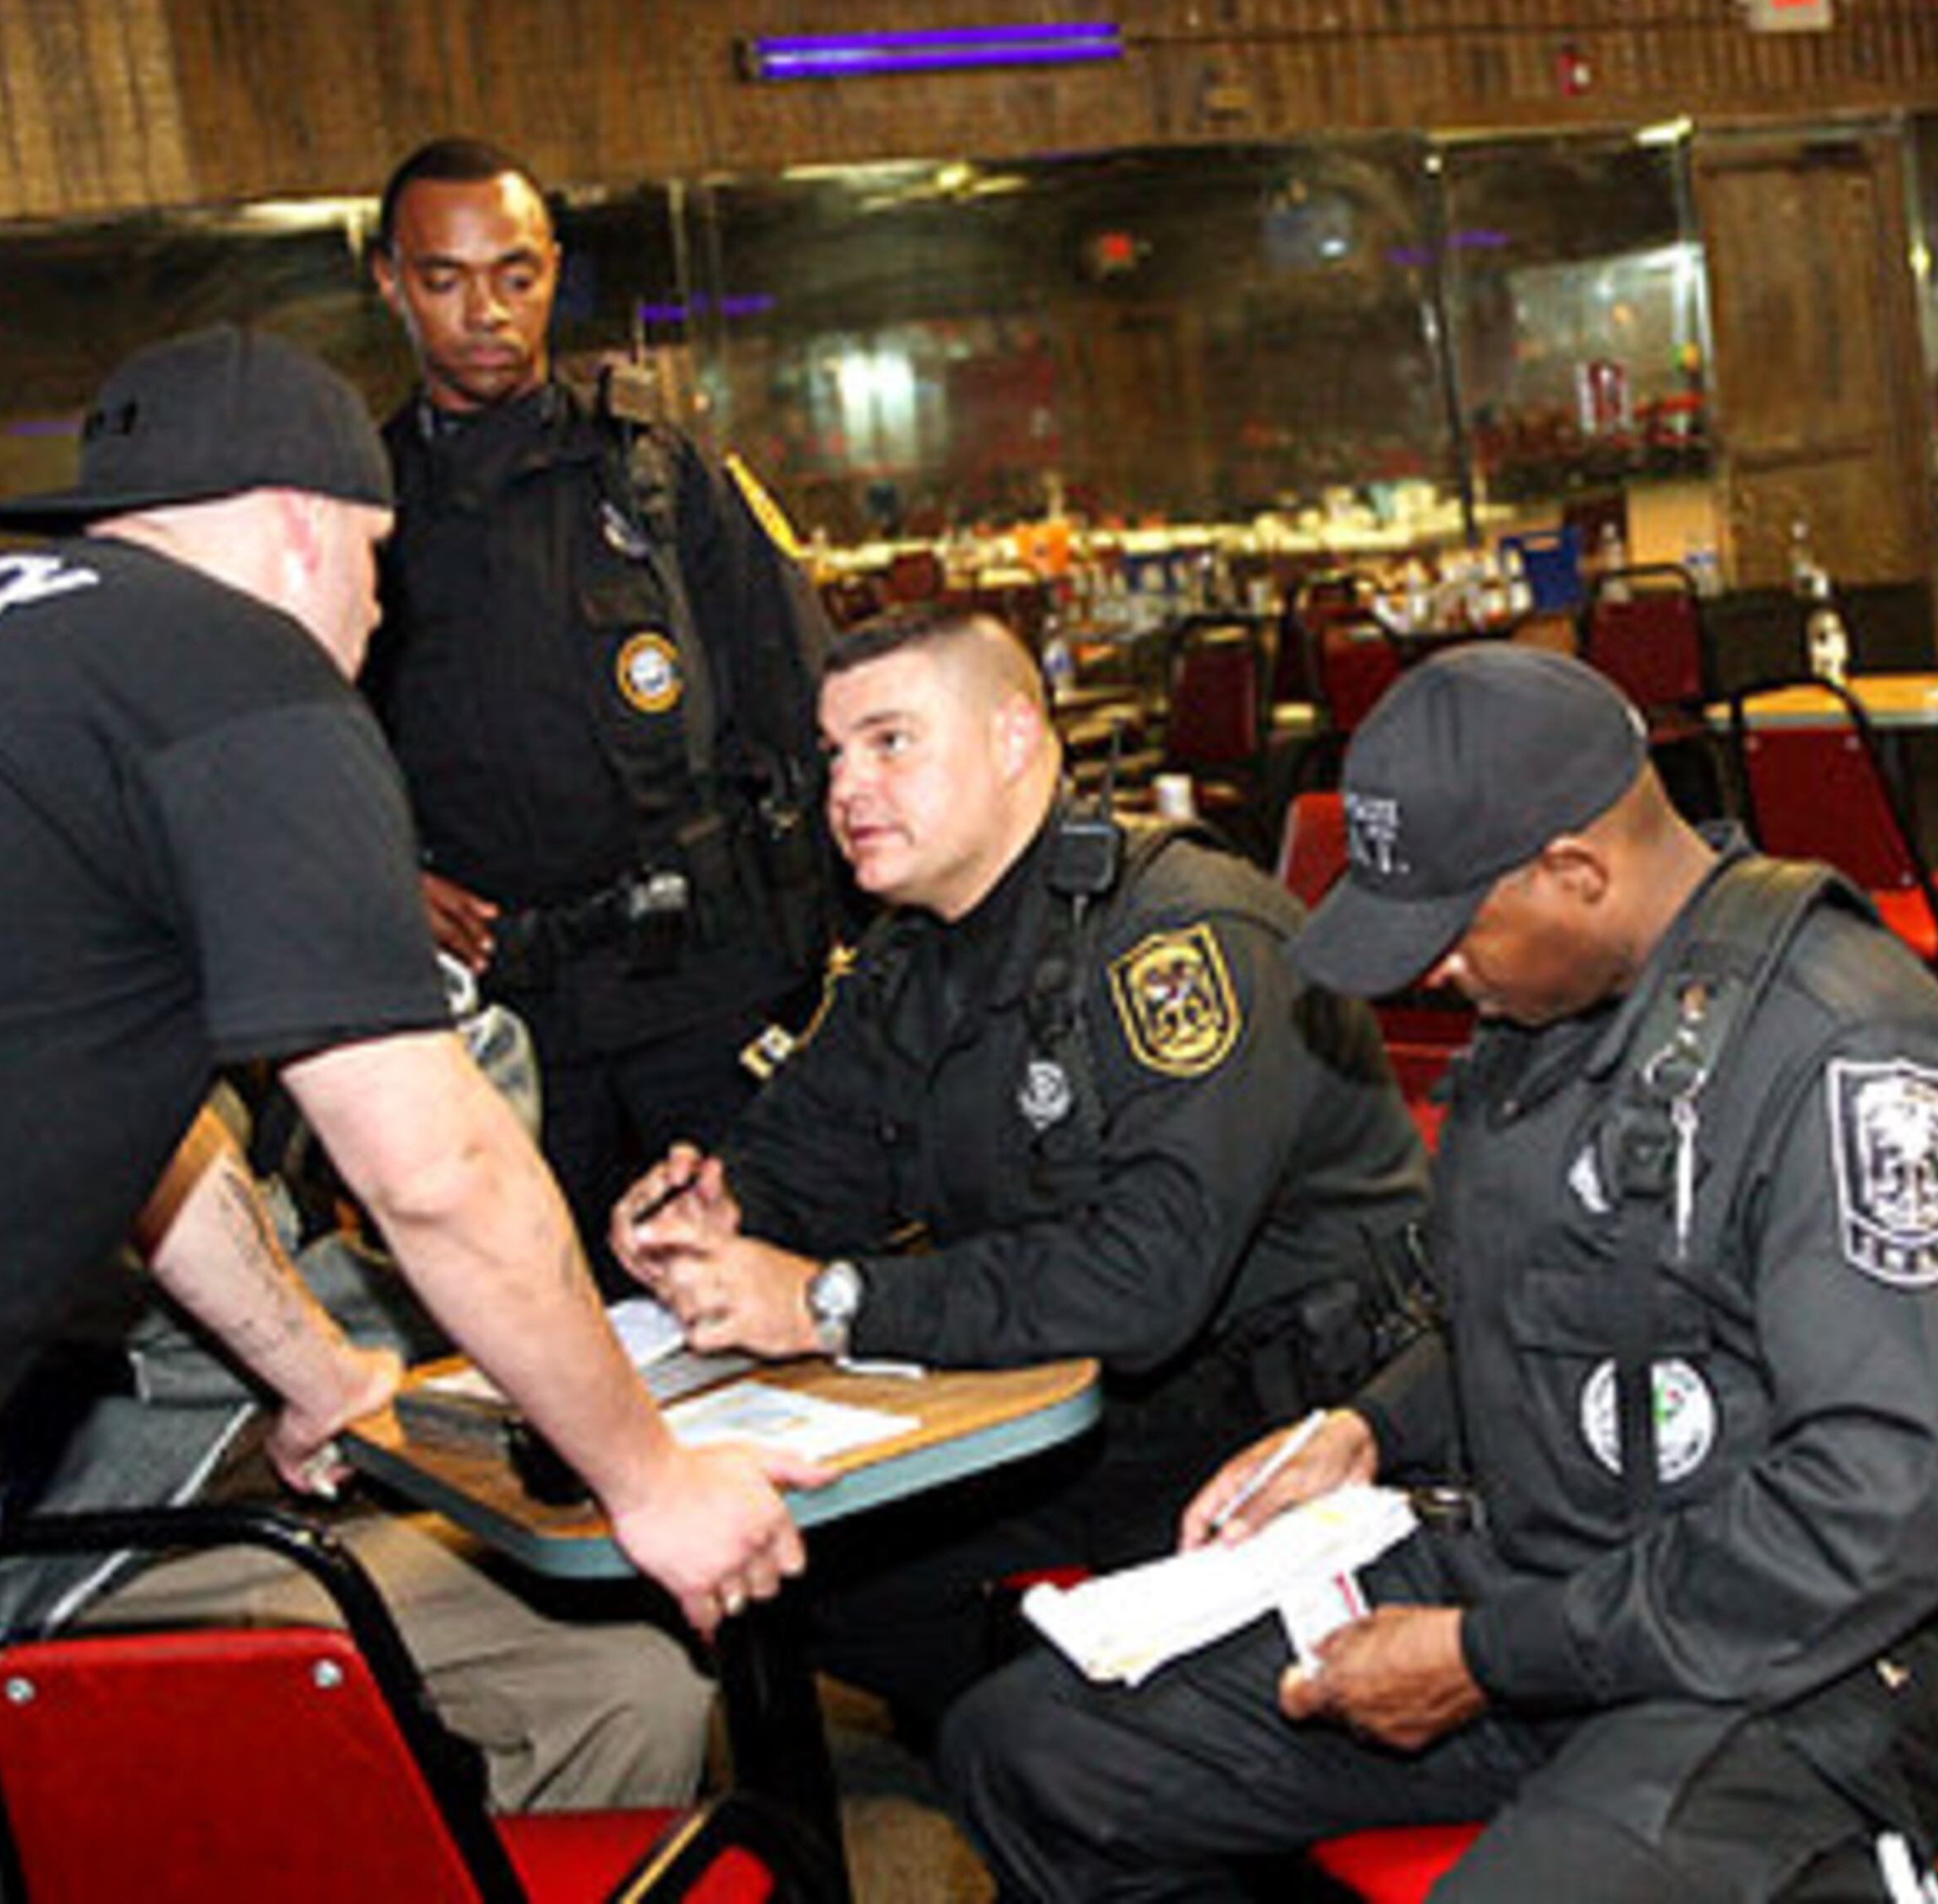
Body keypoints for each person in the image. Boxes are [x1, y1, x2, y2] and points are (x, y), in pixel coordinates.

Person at [0, 325, 815, 1903]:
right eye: (381, 564)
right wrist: (657, 1488)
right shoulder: (235, 671)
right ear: (305, 523)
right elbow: (437, 1166)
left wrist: (314, 1369)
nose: (379, 616)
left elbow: (148, 1133)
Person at [937, 644, 1938, 1901]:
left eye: (1451, 930)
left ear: (1577, 871)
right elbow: (1533, 1303)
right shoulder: (1558, 1006)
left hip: (1808, 1658)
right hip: (1558, 1579)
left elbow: (1875, 1510)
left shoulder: (1860, 1059)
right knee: (1031, 1751)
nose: (1435, 972)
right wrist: (1364, 1423)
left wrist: (1486, 1653)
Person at [611, 601, 1428, 1733]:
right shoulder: (918, 949)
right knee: (775, 1574)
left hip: (1287, 1436)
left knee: (1008, 1712)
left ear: (1011, 739)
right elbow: (809, 1151)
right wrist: (708, 1217)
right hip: (1068, 1414)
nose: (847, 788)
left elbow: (1142, 1281)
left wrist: (825, 1300)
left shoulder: (1178, 939)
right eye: (835, 753)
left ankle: (1083, 1768)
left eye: (892, 741)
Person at [0, 985, 716, 1813]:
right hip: (134, 1547)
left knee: (643, 1670)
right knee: (625, 1677)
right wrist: (348, 1218)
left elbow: (465, 1234)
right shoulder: (82, 1044)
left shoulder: (328, 1010)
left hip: (347, 1494)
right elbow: (385, 1262)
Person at [362, 135, 834, 1268]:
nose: (487, 311)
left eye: (516, 275)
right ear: (389, 279)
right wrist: (379, 877)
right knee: (542, 1354)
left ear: (553, 270)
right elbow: (304, 752)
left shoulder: (660, 474)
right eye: (445, 278)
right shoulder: (357, 512)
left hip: (707, 989)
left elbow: (803, 703)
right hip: (507, 1026)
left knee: (762, 1315)